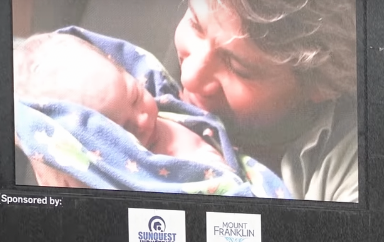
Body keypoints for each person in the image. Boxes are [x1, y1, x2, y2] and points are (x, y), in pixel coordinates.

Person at [14, 32, 290, 199]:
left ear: (124, 69)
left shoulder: (168, 105)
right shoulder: (128, 171)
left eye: (135, 97)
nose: (143, 120)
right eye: (125, 129)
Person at [174, 0, 358, 202]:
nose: (189, 78)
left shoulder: (356, 177)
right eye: (195, 25)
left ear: (323, 85)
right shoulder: (132, 79)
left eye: (238, 68)